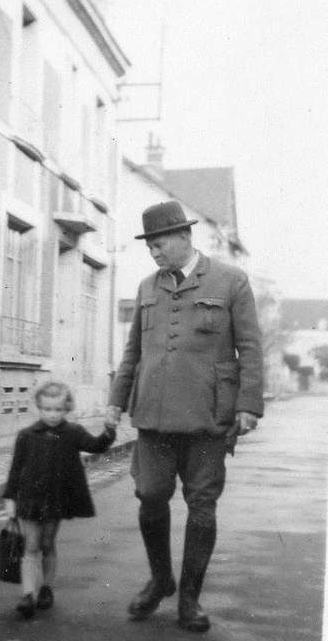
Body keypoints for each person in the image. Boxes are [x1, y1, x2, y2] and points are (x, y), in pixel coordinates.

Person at [106, 200, 264, 632]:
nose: (155, 253)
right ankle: (161, 580)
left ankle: (190, 599)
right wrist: (116, 402)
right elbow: (133, 352)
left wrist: (248, 405)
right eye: (149, 246)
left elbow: (249, 348)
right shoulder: (145, 288)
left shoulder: (231, 280)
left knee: (202, 506)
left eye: (160, 243)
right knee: (150, 495)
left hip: (208, 417)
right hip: (153, 415)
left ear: (183, 237)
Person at [3, 379, 116, 619]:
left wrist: (108, 432)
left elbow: (96, 446)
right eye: (47, 409)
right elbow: (15, 469)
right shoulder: (26, 435)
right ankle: (28, 595)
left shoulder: (73, 433)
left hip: (55, 500)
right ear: (39, 408)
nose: (52, 415)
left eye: (58, 410)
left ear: (66, 409)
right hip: (30, 499)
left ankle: (46, 588)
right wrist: (9, 498)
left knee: (47, 544)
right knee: (31, 545)